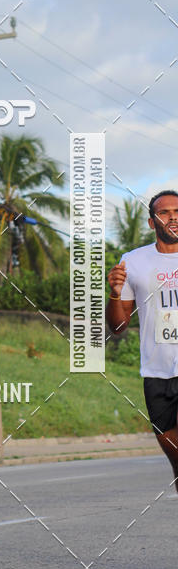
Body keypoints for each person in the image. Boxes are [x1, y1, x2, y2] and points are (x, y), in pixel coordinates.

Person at [107, 190, 178, 489]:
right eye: (165, 212)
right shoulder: (133, 261)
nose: (173, 217)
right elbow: (119, 325)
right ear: (152, 222)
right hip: (156, 374)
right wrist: (114, 292)